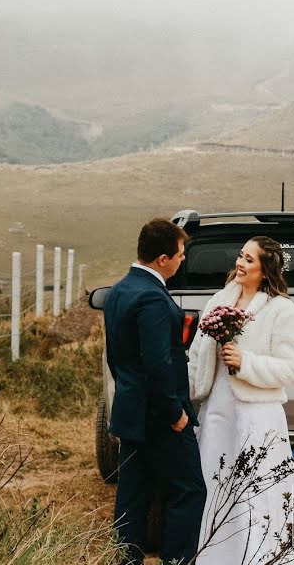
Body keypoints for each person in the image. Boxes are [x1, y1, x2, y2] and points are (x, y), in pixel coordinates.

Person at [188, 236, 294, 565]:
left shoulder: (283, 312)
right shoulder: (219, 299)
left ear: (265, 270)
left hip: (256, 415)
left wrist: (246, 363)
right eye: (240, 256)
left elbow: (292, 370)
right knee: (212, 484)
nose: (240, 264)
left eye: (249, 260)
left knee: (255, 492)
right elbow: (197, 355)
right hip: (217, 410)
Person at [104, 218, 206, 565]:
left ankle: (126, 561)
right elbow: (157, 363)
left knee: (133, 498)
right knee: (189, 491)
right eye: (179, 255)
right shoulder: (152, 297)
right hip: (161, 419)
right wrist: (174, 413)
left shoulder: (119, 291)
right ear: (162, 259)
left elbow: (116, 358)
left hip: (131, 413)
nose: (182, 261)